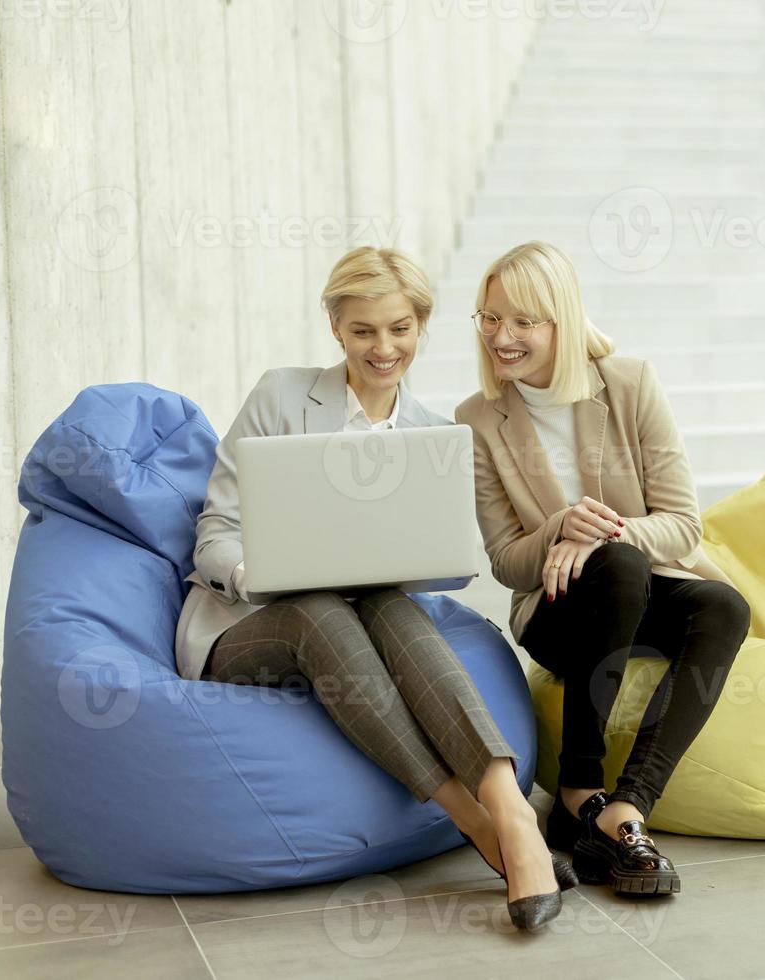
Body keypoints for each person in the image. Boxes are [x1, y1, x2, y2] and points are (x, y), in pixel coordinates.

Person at [174, 246, 569, 930]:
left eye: (399, 329)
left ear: (421, 326)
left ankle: (508, 808)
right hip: (248, 625)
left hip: (368, 616)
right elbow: (215, 533)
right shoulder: (281, 396)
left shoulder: (432, 436)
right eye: (363, 331)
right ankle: (476, 820)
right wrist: (259, 575)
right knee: (319, 610)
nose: (383, 349)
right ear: (336, 328)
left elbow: (444, 561)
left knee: (390, 604)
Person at [454, 241, 751, 896]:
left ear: (561, 320)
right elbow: (506, 561)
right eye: (489, 317)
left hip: (642, 585)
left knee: (724, 607)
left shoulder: (630, 383)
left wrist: (601, 533)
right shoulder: (477, 421)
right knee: (616, 567)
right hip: (558, 613)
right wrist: (561, 530)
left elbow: (682, 522)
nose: (502, 336)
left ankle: (626, 806)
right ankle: (577, 788)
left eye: (522, 321)